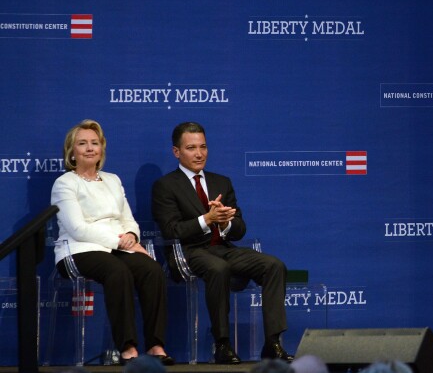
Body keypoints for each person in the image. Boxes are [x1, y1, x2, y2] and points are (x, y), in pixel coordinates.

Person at [151, 121, 294, 364]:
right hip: (188, 251)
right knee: (219, 269)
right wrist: (207, 219)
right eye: (191, 148)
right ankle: (222, 343)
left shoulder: (221, 182)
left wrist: (225, 222)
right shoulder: (165, 186)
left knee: (274, 265)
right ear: (177, 152)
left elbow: (240, 228)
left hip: (223, 248)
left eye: (203, 147)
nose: (199, 154)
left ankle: (272, 342)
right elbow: (171, 230)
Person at [51, 119, 174, 365]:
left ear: (102, 149)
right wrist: (122, 243)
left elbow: (128, 219)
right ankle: (127, 348)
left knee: (151, 270)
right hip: (78, 249)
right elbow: (77, 228)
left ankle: (155, 344)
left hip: (116, 247)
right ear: (71, 152)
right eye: (82, 143)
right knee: (117, 271)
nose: (89, 148)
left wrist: (132, 236)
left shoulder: (112, 179)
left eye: (94, 143)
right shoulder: (65, 183)